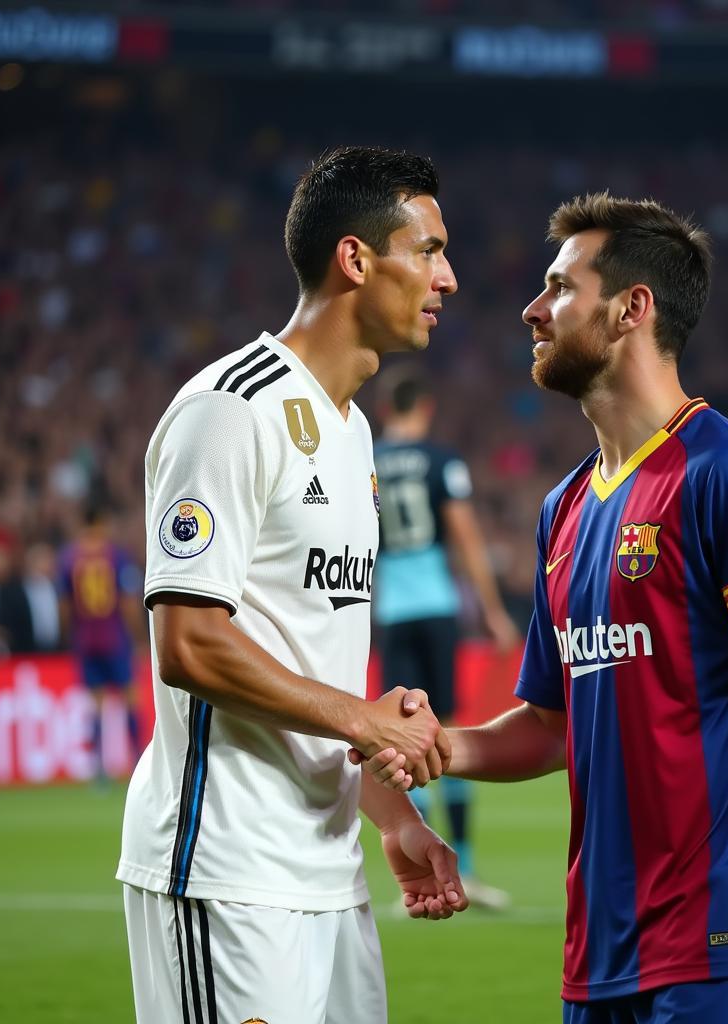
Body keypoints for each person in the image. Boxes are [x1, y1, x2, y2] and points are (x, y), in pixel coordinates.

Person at [363, 193, 728, 1022]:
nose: (532, 308)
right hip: (599, 956)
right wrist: (436, 746)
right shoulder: (563, 509)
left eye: (560, 287)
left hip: (723, 944)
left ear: (634, 309)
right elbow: (554, 724)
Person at [116, 146, 468, 1024]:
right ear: (356, 259)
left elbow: (308, 666)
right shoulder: (229, 410)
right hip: (229, 876)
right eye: (427, 249)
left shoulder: (351, 435)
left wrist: (390, 817)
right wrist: (364, 719)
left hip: (331, 878)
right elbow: (189, 642)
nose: (448, 277)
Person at [373, 367, 521, 909]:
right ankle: (466, 866)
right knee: (446, 731)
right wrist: (492, 610)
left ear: (386, 409)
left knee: (398, 738)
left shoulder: (365, 462)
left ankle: (419, 864)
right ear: (426, 407)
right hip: (435, 607)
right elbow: (465, 537)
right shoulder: (440, 461)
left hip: (388, 609)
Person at [58, 503, 143, 777]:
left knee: (95, 704)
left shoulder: (69, 558)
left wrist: (69, 636)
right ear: (102, 522)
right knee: (130, 698)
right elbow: (129, 602)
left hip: (86, 639)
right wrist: (138, 637)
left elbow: (64, 606)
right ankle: (138, 761)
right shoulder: (116, 556)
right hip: (115, 638)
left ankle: (98, 770)